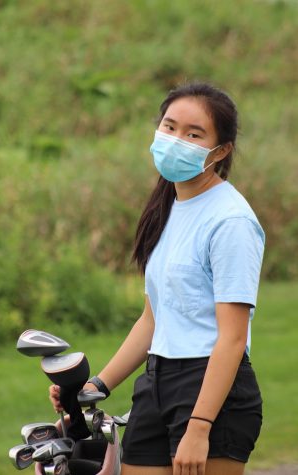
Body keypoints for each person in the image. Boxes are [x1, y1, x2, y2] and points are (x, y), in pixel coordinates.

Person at [50, 82, 265, 475]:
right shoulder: (168, 208)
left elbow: (232, 338)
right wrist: (97, 385)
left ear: (221, 152)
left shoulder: (231, 221)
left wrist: (200, 427)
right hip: (156, 382)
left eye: (193, 134)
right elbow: (153, 320)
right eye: (169, 127)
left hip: (211, 390)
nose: (176, 139)